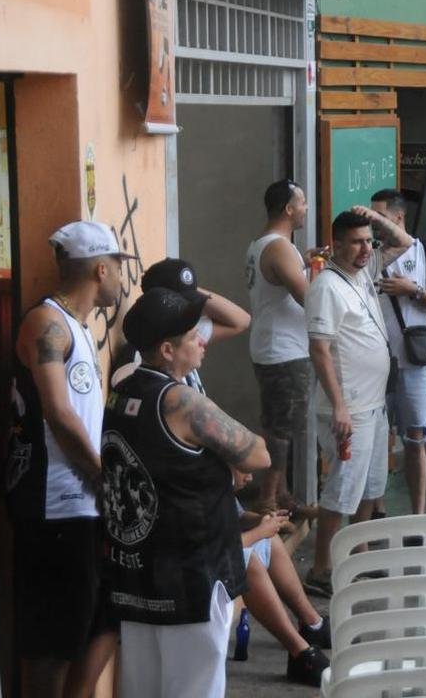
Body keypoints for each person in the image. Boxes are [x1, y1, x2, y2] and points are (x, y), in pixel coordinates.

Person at [101, 288, 271, 697]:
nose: (202, 340)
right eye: (193, 335)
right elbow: (258, 454)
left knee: (144, 688)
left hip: (138, 574)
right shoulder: (179, 400)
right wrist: (226, 463)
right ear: (166, 349)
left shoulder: (123, 389)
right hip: (190, 576)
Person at [5, 221, 133, 698]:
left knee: (97, 621)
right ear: (101, 268)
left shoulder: (75, 326)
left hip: (83, 508)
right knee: (50, 646)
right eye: (119, 269)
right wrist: (104, 477)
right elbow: (58, 413)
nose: (121, 279)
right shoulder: (46, 324)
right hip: (53, 506)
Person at [303, 207, 412, 596]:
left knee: (370, 487)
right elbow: (319, 349)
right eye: (356, 241)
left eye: (369, 241)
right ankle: (320, 568)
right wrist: (339, 406)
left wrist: (374, 217)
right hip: (348, 407)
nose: (366, 248)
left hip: (373, 404)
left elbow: (405, 241)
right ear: (336, 244)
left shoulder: (364, 272)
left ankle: (359, 557)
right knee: (342, 489)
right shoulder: (326, 286)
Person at [370, 189, 426, 515]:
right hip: (374, 360)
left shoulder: (424, 249)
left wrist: (412, 290)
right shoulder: (368, 253)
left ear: (398, 217)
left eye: (380, 219)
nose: (374, 228)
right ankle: (376, 510)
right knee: (376, 438)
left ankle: (417, 514)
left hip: (413, 360)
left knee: (415, 438)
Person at [245, 179, 315, 511]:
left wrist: (307, 261)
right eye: (302, 203)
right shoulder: (279, 248)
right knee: (282, 428)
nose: (305, 208)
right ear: (288, 209)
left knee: (280, 421)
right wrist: (322, 275)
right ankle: (268, 499)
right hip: (283, 349)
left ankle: (282, 494)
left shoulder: (263, 243)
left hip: (272, 345)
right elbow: (307, 297)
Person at [231, 470, 330, 686]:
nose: (250, 478)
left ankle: (313, 625)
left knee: (270, 539)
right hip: (187, 570)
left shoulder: (219, 484)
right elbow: (220, 549)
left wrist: (264, 522)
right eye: (243, 470)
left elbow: (237, 517)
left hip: (213, 559)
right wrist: (260, 531)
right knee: (246, 560)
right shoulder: (201, 486)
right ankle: (299, 653)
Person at [110, 257, 251, 389]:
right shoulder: (142, 355)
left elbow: (242, 321)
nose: (200, 340)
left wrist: (191, 289)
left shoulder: (187, 331)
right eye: (177, 299)